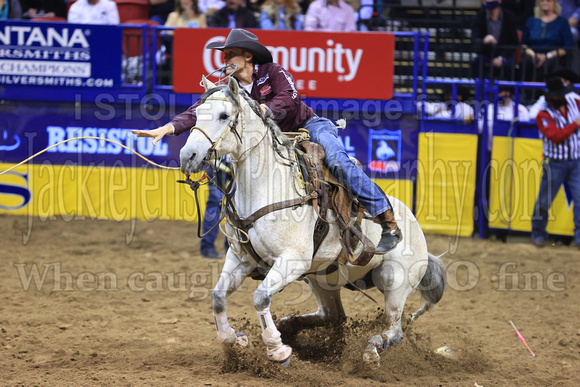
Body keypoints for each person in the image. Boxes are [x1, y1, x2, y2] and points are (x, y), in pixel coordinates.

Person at [131, 29, 402, 255]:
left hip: (307, 126)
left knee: (336, 160)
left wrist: (263, 110)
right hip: (274, 140)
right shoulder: (229, 90)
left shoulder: (273, 71)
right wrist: (166, 128)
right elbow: (198, 110)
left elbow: (290, 98)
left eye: (230, 54)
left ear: (247, 56)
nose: (225, 59)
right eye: (224, 56)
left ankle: (386, 220)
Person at [531, 74, 580, 248]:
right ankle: (538, 233)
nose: (560, 96)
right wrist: (575, 124)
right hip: (555, 163)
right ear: (550, 96)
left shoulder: (574, 101)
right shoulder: (543, 114)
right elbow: (555, 136)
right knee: (544, 201)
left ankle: (579, 237)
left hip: (576, 160)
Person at [520, 0, 575, 82]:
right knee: (526, 62)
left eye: (548, 0)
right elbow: (523, 45)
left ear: (554, 3)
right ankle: (527, 92)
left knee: (549, 64)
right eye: (542, 1)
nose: (545, 2)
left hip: (554, 56)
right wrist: (533, 55)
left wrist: (548, 56)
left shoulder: (562, 22)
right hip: (533, 56)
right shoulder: (531, 20)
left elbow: (567, 47)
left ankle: (548, 92)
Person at [471, 0, 520, 80]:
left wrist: (501, 58)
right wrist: (484, 41)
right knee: (477, 62)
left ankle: (506, 91)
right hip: (486, 54)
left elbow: (514, 42)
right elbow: (474, 41)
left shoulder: (509, 17)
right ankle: (480, 89)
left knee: (509, 65)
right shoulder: (479, 17)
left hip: (505, 55)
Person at [200, 160, 230, 259]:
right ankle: (229, 248)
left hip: (221, 161)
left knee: (215, 203)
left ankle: (209, 247)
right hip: (223, 161)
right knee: (216, 203)